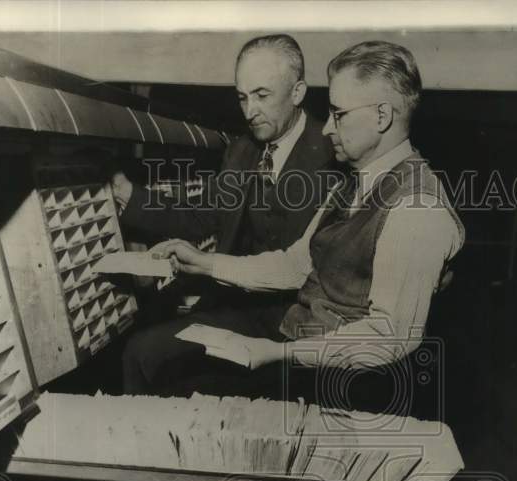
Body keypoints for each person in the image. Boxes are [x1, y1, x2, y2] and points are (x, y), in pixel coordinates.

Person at [152, 40, 465, 410]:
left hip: (351, 386)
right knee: (163, 368)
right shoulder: (354, 180)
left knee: (178, 392)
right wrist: (202, 263)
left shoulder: (417, 209)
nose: (328, 127)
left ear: (382, 116)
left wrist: (277, 354)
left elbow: (389, 338)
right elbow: (296, 265)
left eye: (339, 113)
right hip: (305, 346)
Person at [114, 34, 335, 393]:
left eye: (262, 96)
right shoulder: (242, 151)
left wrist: (206, 265)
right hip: (236, 309)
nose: (249, 111)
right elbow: (203, 216)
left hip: (296, 321)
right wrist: (129, 196)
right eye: (242, 97)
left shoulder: (332, 153)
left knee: (154, 359)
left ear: (297, 93)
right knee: (142, 352)